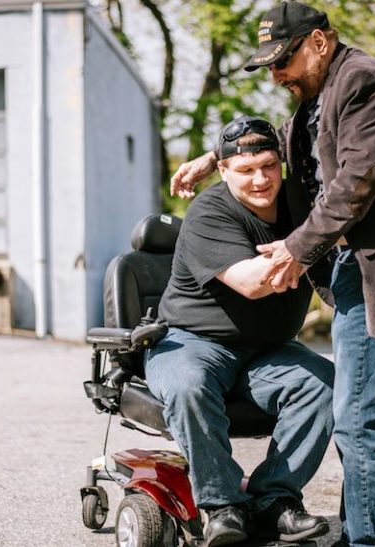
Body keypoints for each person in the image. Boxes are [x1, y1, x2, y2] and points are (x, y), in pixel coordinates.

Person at [169, 3, 375, 546]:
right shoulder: (318, 96)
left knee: (359, 418)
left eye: (283, 61)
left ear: (320, 43)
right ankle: (361, 534)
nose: (277, 75)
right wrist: (215, 158)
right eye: (270, 65)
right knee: (356, 417)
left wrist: (300, 249)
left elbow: (359, 177)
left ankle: (373, 541)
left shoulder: (363, 82)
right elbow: (284, 140)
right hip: (353, 266)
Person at [145, 116, 334, 546]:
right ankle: (222, 506)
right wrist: (309, 245)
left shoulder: (300, 204)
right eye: (245, 171)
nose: (260, 179)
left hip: (268, 350)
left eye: (268, 165)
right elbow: (252, 282)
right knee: (189, 386)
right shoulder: (209, 212)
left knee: (324, 384)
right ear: (224, 171)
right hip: (191, 343)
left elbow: (345, 163)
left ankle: (274, 501)